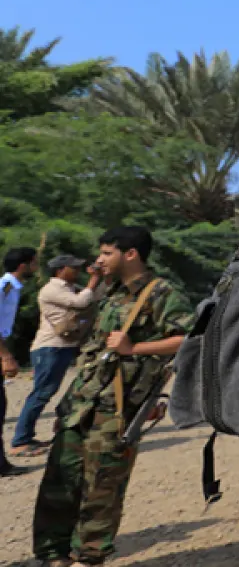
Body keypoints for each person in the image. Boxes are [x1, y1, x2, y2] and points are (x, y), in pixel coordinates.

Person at [32, 227, 194, 566]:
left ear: (130, 253)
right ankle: (51, 555)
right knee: (59, 483)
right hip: (81, 404)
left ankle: (88, 558)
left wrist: (135, 348)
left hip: (117, 409)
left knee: (101, 490)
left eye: (106, 253)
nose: (99, 260)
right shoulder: (110, 292)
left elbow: (189, 339)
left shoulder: (161, 293)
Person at [11, 255, 103, 457]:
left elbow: (94, 298)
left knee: (44, 393)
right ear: (60, 269)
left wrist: (100, 279)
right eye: (73, 268)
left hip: (61, 346)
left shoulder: (68, 287)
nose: (77, 270)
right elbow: (80, 303)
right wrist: (94, 280)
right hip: (50, 347)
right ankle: (20, 441)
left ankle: (26, 437)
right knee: (41, 394)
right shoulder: (52, 289)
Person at [0, 247, 39, 477]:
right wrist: (5, 356)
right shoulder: (4, 287)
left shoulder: (12, 288)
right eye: (34, 263)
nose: (36, 267)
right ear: (23, 265)